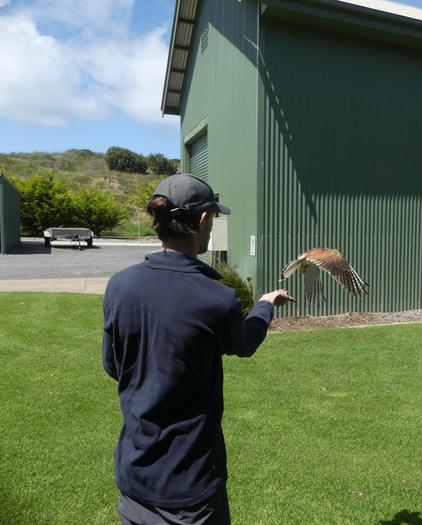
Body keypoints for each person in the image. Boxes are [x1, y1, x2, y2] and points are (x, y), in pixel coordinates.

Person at [102, 173, 293, 524]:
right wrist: (265, 306)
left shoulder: (120, 286)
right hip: (191, 489)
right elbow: (244, 342)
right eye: (213, 219)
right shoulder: (216, 299)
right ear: (203, 220)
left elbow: (114, 366)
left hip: (135, 477)